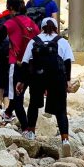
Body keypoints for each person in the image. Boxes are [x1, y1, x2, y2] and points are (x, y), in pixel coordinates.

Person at [18, 17, 75, 156]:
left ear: (42, 27)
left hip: (37, 77)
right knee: (61, 109)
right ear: (56, 28)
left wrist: (22, 81)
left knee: (33, 105)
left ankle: (31, 133)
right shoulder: (62, 41)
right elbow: (67, 63)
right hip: (57, 78)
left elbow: (25, 63)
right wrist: (67, 81)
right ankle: (65, 139)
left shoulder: (34, 41)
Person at [0, 0, 39, 130]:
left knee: (16, 96)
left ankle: (26, 129)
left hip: (17, 64)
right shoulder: (32, 23)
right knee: (30, 99)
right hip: (33, 65)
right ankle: (9, 113)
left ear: (10, 8)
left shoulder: (11, 23)